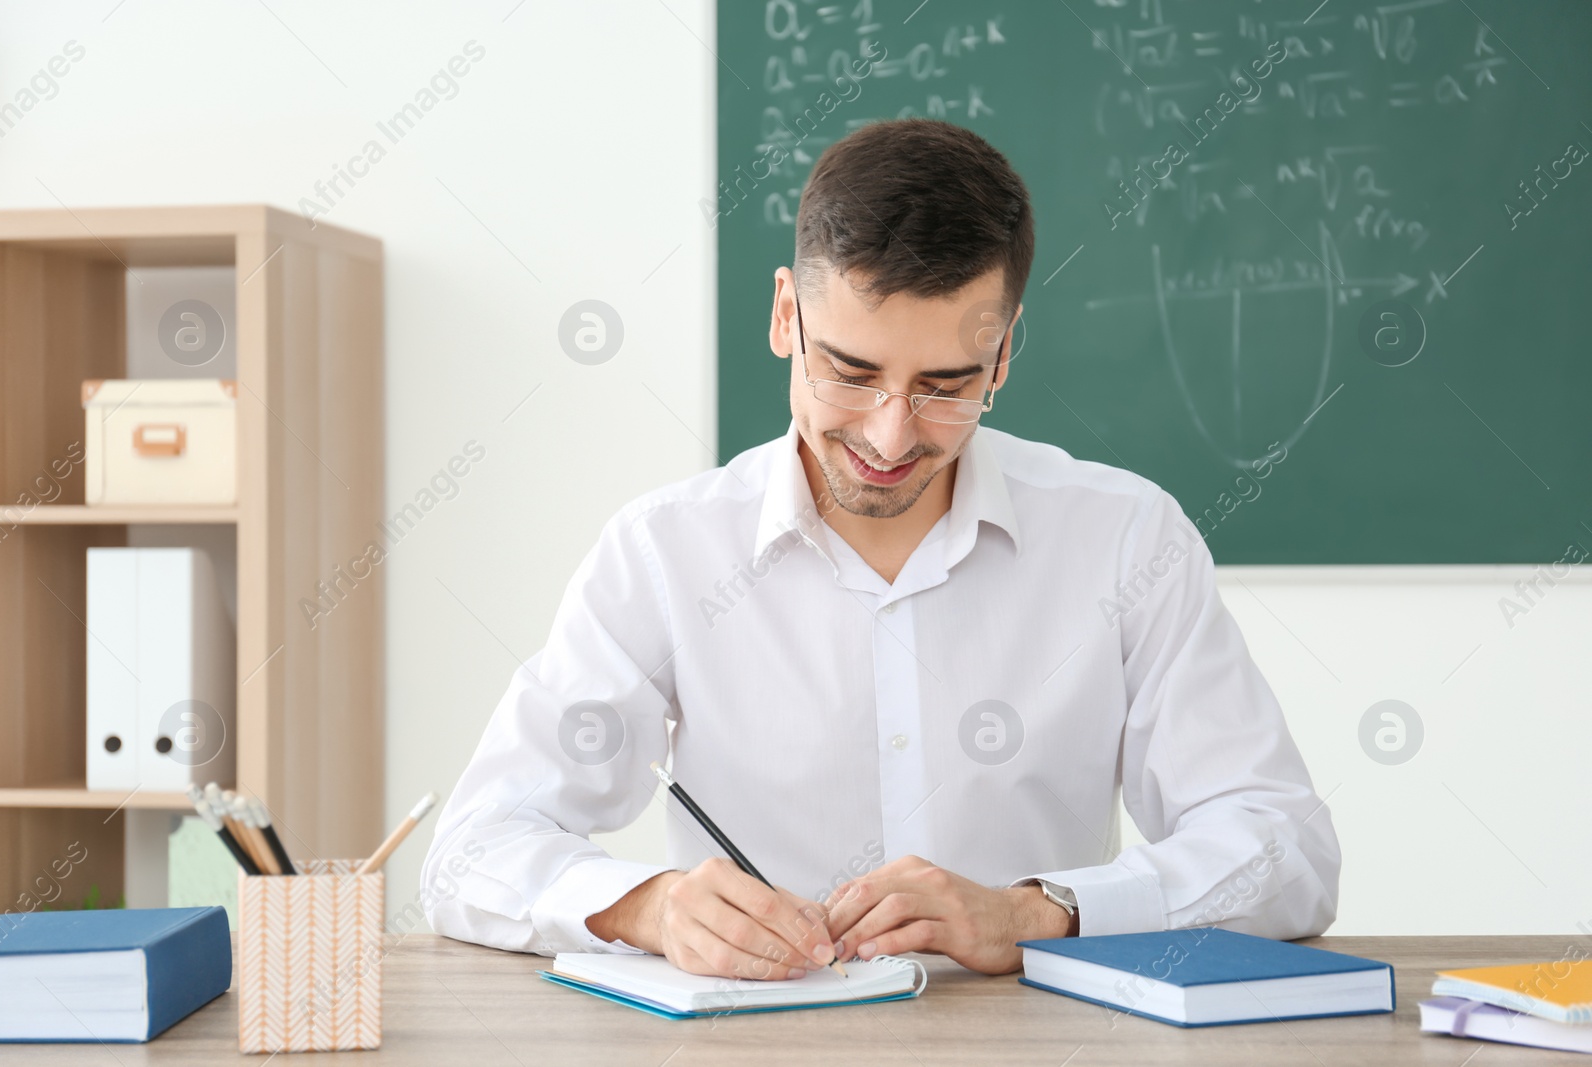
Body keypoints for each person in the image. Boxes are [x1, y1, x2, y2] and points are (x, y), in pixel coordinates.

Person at [422, 118, 1340, 981]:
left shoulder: (1126, 539)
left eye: (946, 384)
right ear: (787, 317)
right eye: (851, 373)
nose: (892, 435)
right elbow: (471, 850)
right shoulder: (666, 552)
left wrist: (1036, 913)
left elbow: (1285, 849)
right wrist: (647, 906)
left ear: (1006, 354)